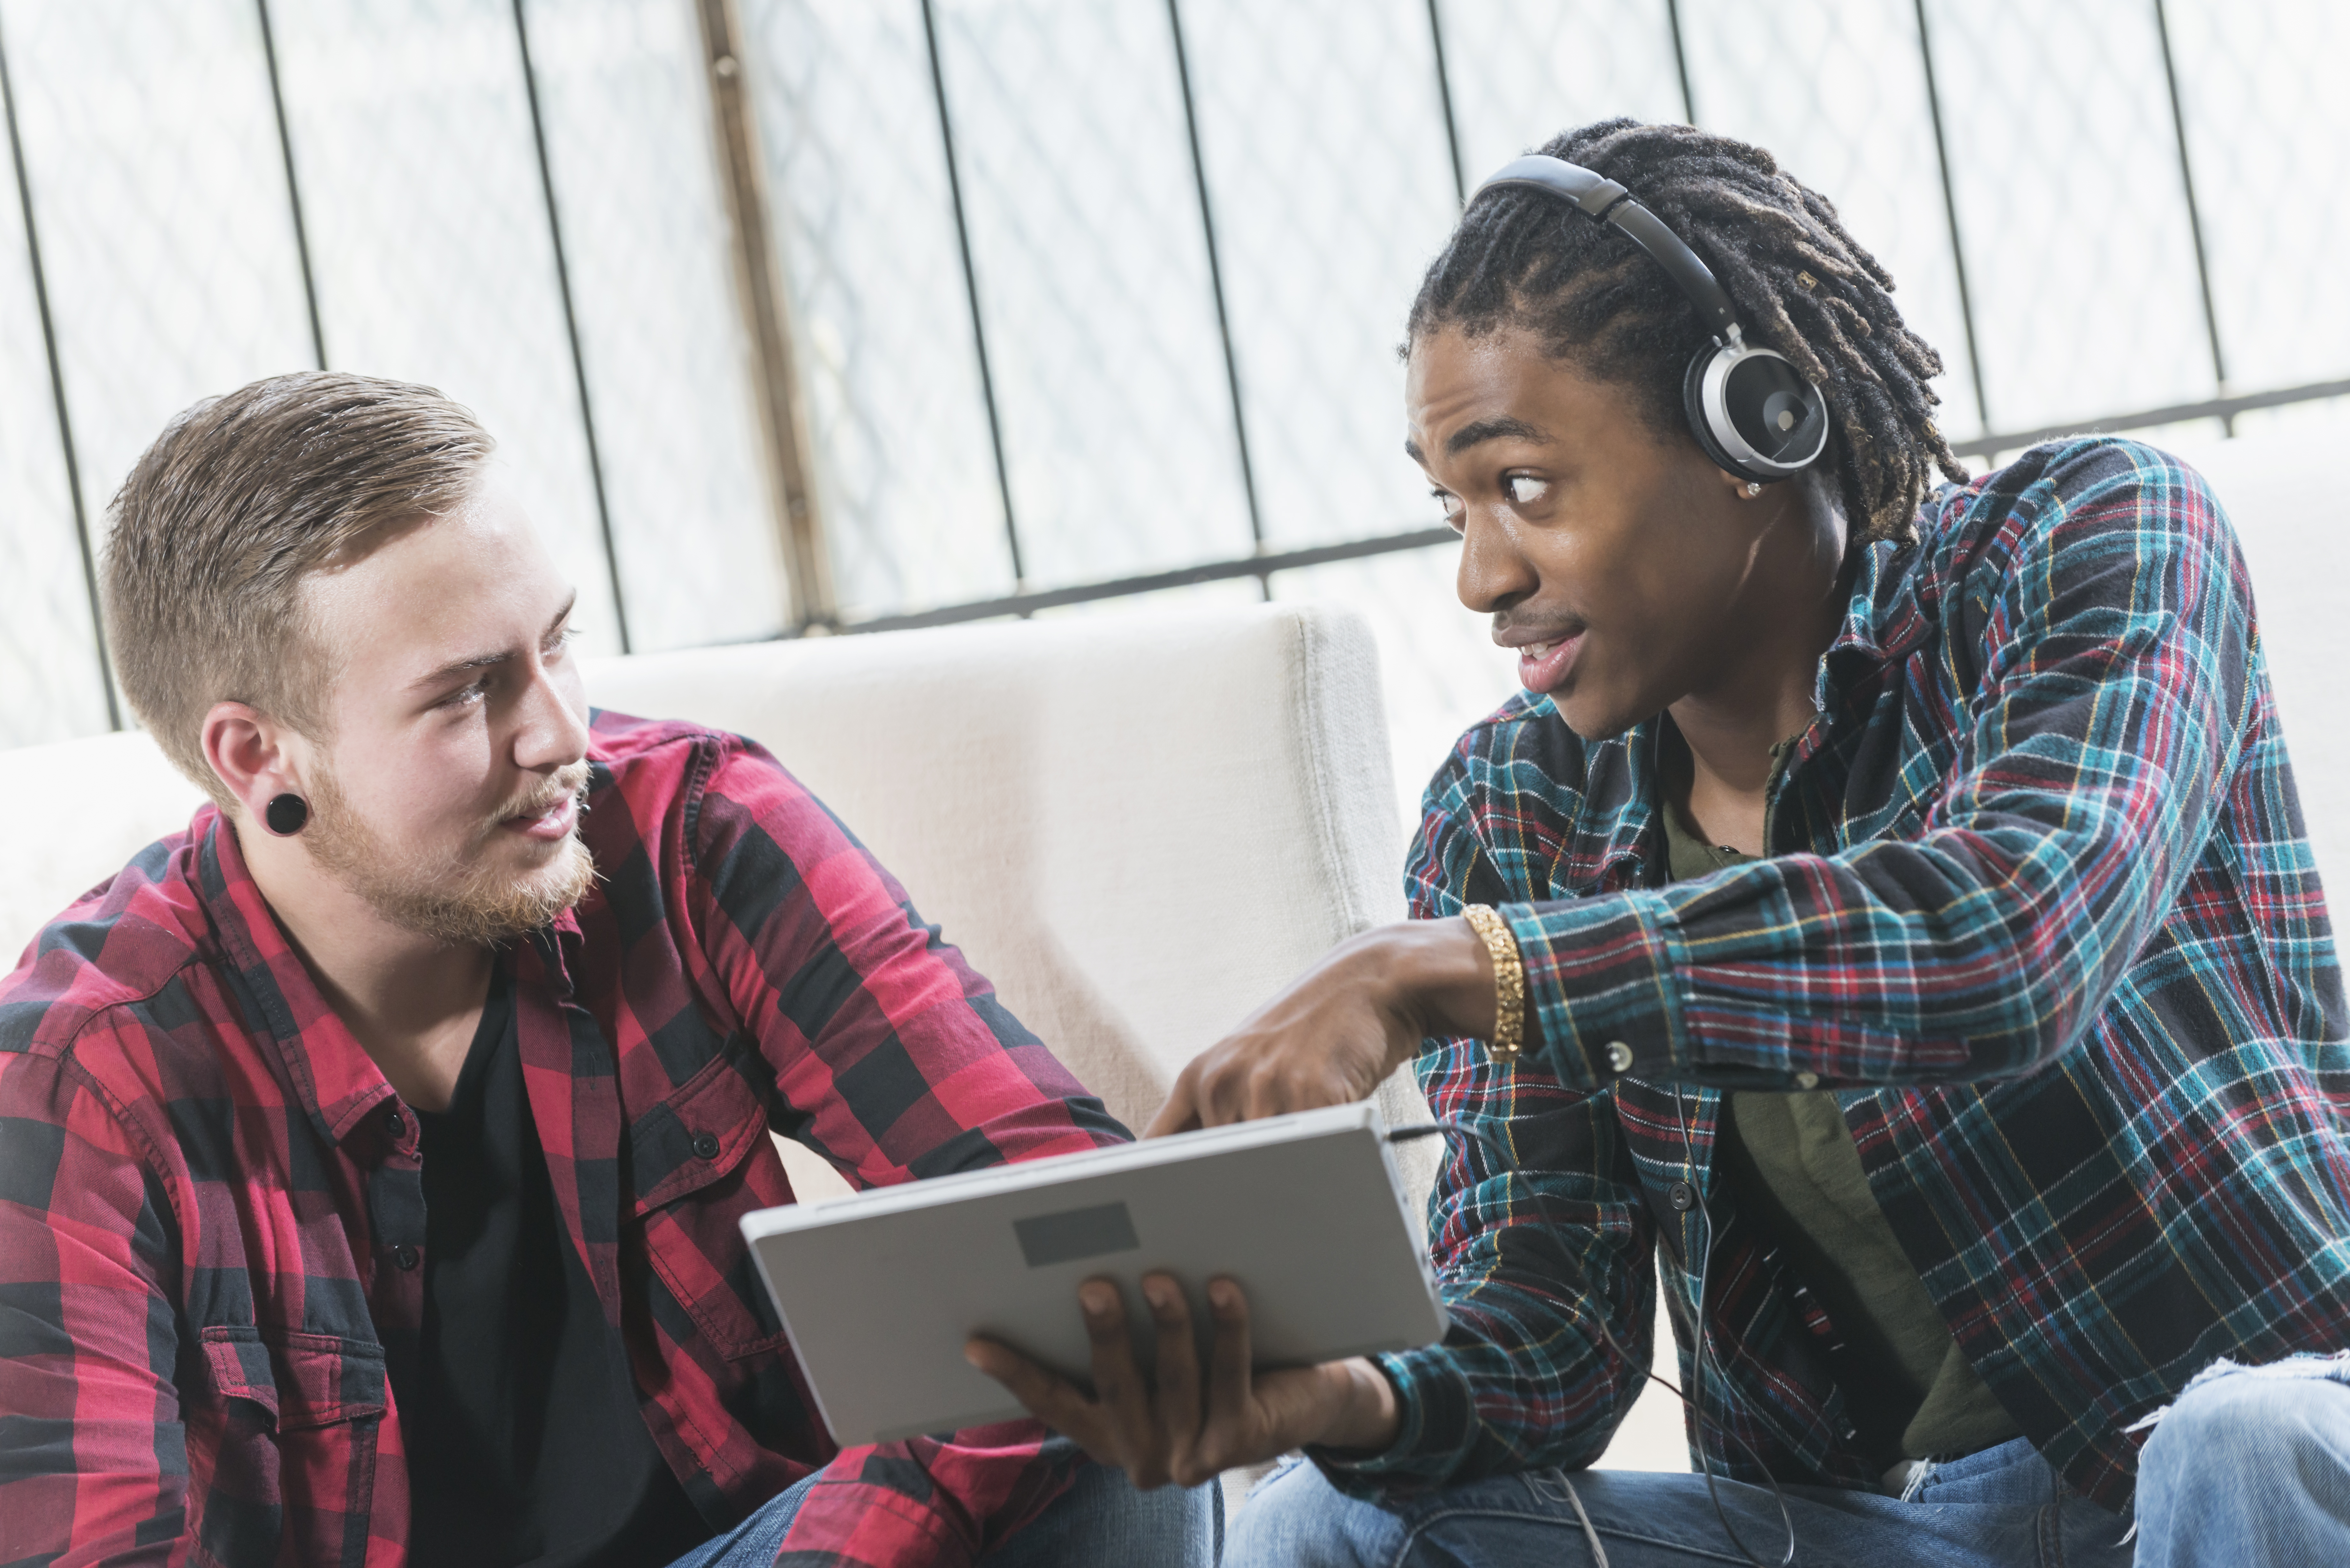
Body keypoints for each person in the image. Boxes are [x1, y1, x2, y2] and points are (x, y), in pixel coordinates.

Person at [966, 118, 2350, 1566]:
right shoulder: (1516, 810)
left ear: (1755, 425)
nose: (1478, 577)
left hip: (2241, 1459)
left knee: (2243, 1446)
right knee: (1326, 1523)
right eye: (1451, 506)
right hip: (1889, 1531)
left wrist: (1442, 973)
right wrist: (1345, 1399)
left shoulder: (2082, 542)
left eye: (1522, 486)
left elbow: (2005, 939)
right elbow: (1547, 1336)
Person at [0, 373, 1217, 1568]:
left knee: (1119, 1382)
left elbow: (1063, 1219)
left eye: (558, 644)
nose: (563, 733)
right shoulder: (79, 1081)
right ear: (257, 755)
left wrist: (867, 1539)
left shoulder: (693, 836)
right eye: (468, 692)